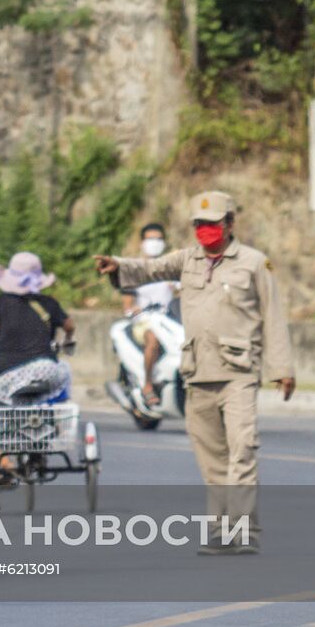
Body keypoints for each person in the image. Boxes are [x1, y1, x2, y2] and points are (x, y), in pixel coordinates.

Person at [94, 191, 295, 554]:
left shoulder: (254, 263)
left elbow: (274, 317)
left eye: (212, 224)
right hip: (197, 372)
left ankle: (245, 532)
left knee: (242, 449)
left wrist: (282, 369)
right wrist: (117, 266)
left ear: (230, 224)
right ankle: (221, 531)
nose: (205, 231)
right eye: (199, 224)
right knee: (211, 457)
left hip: (239, 372)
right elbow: (148, 269)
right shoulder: (187, 259)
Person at [0, 252, 76, 407]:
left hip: (8, 373)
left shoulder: (3, 301)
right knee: (64, 368)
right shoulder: (49, 303)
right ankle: (60, 412)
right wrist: (68, 339)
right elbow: (69, 326)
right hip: (45, 371)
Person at [121, 222, 180, 408]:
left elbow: (184, 293)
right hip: (144, 322)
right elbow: (128, 305)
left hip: (170, 320)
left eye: (158, 239)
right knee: (153, 340)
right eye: (150, 239)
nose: (154, 242)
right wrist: (135, 311)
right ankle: (147, 385)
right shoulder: (133, 271)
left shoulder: (170, 269)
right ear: (142, 242)